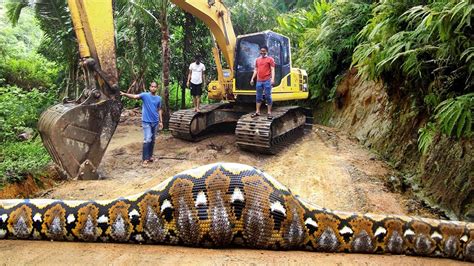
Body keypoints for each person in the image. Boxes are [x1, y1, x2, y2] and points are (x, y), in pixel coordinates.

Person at [120, 82, 163, 166]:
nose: (153, 88)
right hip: (146, 121)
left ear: (157, 88)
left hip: (155, 122)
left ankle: (150, 156)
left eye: (155, 87)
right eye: (152, 86)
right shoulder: (145, 95)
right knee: (147, 139)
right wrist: (124, 94)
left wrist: (161, 121)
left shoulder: (159, 98)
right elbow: (135, 96)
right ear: (149, 87)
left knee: (153, 140)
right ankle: (145, 159)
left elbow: (159, 109)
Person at [250, 45, 275, 120]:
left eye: (264, 51)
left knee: (268, 96)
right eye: (261, 51)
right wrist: (252, 79)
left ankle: (269, 112)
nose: (262, 52)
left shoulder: (270, 59)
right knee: (258, 96)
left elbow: (273, 69)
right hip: (259, 81)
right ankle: (257, 112)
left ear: (266, 51)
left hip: (267, 80)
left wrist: (272, 79)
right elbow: (256, 70)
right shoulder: (257, 60)